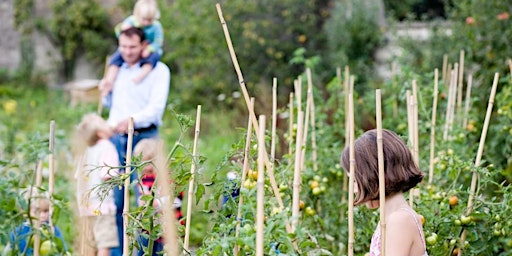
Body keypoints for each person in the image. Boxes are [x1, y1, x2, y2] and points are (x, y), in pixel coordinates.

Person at [100, 26, 171, 256]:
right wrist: (105, 92)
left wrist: (132, 119)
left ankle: (146, 251)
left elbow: (155, 109)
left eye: (132, 47)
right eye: (123, 47)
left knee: (150, 202)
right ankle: (120, 252)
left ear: (143, 46)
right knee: (117, 202)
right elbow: (112, 105)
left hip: (145, 139)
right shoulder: (116, 69)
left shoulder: (159, 70)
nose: (127, 51)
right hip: (117, 139)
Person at [340, 129, 428, 256]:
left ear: (373, 175)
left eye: (354, 180)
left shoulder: (399, 220)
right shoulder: (393, 218)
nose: (353, 190)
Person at [74, 113, 120, 256]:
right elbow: (108, 175)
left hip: (85, 205)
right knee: (103, 243)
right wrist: (121, 177)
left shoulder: (85, 150)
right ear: (100, 133)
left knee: (90, 243)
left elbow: (78, 176)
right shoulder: (107, 147)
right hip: (102, 205)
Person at [99, 0, 164, 96]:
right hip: (137, 48)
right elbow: (120, 34)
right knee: (115, 59)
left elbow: (158, 42)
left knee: (152, 58)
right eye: (144, 19)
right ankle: (109, 80)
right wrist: (123, 29)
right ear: (137, 15)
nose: (146, 23)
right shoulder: (131, 21)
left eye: (150, 20)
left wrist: (149, 49)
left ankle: (143, 74)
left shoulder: (156, 26)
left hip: (149, 49)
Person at [132, 139, 183, 256]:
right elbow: (143, 196)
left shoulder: (167, 178)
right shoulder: (144, 177)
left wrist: (155, 202)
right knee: (144, 249)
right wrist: (142, 202)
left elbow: (175, 201)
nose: (144, 167)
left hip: (167, 226)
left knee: (162, 251)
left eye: (147, 163)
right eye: (140, 163)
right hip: (148, 227)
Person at [7, 188, 67, 255]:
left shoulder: (52, 229)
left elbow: (62, 250)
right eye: (37, 212)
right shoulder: (18, 233)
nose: (43, 215)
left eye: (46, 211)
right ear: (25, 212)